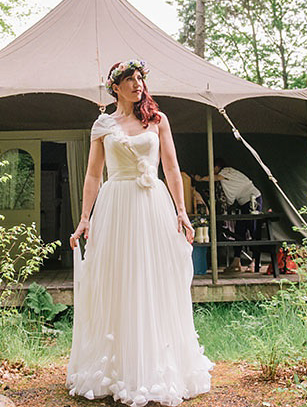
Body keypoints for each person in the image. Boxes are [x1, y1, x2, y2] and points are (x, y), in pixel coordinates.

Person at [67, 59, 213, 407]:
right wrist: (84, 218)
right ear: (115, 87)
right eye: (129, 79)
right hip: (116, 205)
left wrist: (181, 210)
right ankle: (117, 367)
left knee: (154, 279)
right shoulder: (102, 126)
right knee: (119, 280)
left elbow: (173, 168)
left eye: (140, 78)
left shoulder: (158, 121)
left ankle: (158, 365)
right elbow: (92, 175)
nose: (137, 84)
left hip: (152, 205)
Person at [193, 159, 261, 271]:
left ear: (218, 167)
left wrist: (200, 179)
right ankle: (236, 261)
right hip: (242, 202)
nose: (213, 171)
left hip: (253, 199)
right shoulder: (224, 181)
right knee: (240, 230)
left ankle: (255, 261)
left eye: (213, 168)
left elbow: (215, 178)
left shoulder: (227, 171)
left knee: (253, 229)